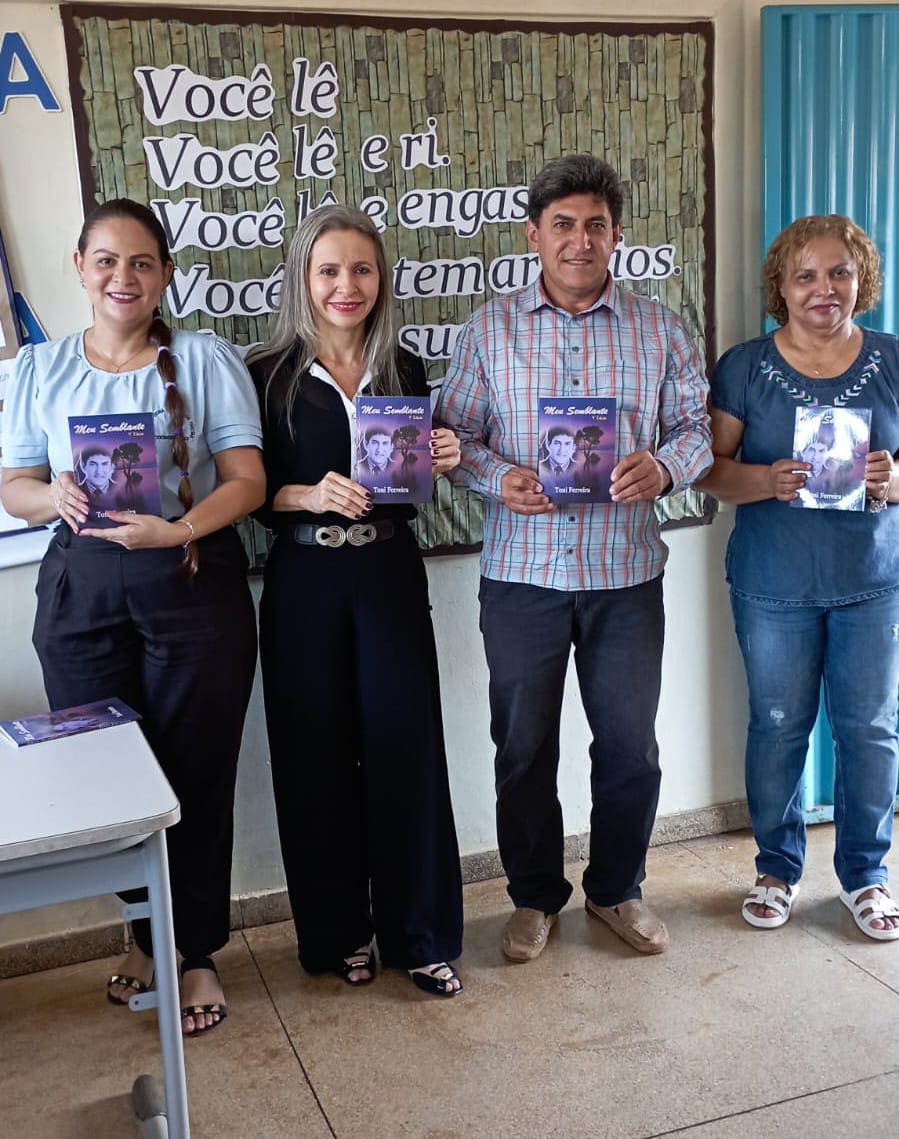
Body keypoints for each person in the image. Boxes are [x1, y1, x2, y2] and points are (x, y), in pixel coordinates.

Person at [436, 154, 712, 962]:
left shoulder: (659, 326)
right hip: (521, 576)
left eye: (594, 224)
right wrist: (496, 477)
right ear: (534, 235)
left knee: (629, 745)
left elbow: (696, 428)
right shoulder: (490, 326)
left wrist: (663, 468)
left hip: (624, 576)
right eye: (562, 225)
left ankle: (616, 889)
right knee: (522, 747)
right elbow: (455, 440)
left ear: (615, 235)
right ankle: (532, 897)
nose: (579, 240)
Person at [0, 198, 266, 1032]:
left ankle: (193, 953)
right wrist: (52, 495)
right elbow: (12, 483)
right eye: (107, 260)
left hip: (190, 583)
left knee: (194, 775)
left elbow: (248, 481)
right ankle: (143, 932)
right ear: (80, 267)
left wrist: (176, 526)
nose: (123, 277)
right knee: (106, 776)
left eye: (142, 262)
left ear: (164, 275)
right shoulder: (38, 369)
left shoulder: (205, 359)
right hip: (80, 594)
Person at [247, 204, 465, 997]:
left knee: (409, 751)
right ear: (303, 279)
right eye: (329, 270)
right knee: (316, 756)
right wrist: (306, 492)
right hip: (304, 582)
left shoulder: (404, 370)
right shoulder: (265, 373)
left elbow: (409, 493)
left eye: (362, 269)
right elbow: (242, 491)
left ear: (382, 279)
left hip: (389, 576)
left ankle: (424, 934)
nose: (347, 285)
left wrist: (442, 456)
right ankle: (337, 935)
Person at [696, 214, 899, 941]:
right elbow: (708, 473)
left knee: (869, 730)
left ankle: (866, 875)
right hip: (772, 582)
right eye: (805, 275)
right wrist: (764, 478)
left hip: (869, 580)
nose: (823, 288)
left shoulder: (891, 358)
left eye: (838, 272)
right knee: (778, 726)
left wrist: (893, 478)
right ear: (779, 286)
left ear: (860, 279)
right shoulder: (743, 366)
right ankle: (776, 869)